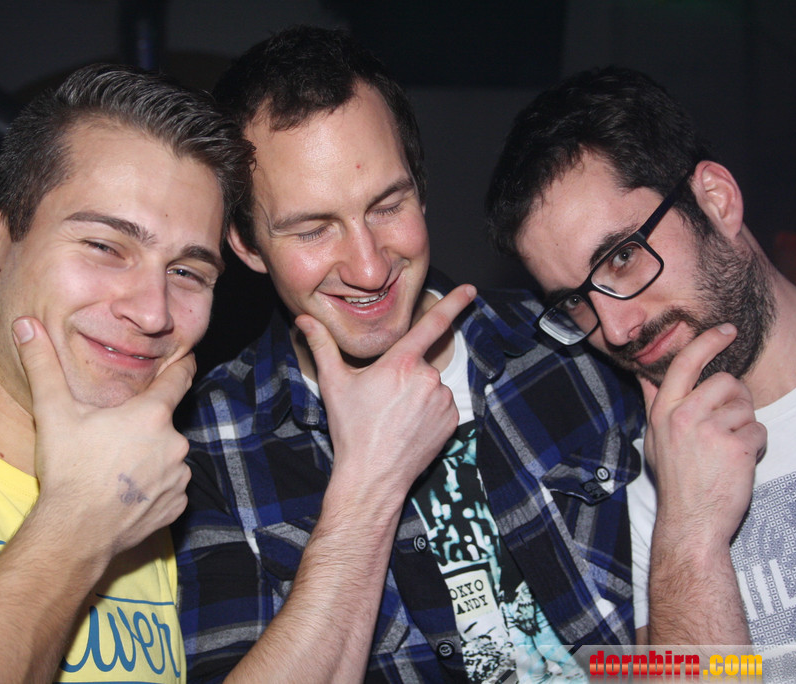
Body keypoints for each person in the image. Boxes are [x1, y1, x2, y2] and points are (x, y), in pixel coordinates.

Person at [174, 27, 645, 682]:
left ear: (420, 188)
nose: (369, 268)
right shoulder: (208, 447)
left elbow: (710, 659)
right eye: (313, 229)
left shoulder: (571, 345)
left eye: (387, 205)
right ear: (248, 245)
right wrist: (369, 482)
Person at [486, 65, 796, 647]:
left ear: (716, 201)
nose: (616, 328)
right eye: (575, 301)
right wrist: (690, 533)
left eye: (622, 257)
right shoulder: (640, 492)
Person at [0, 63, 252, 682]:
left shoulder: (159, 486)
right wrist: (79, 524)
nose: (153, 312)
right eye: (104, 246)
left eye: (187, 272)